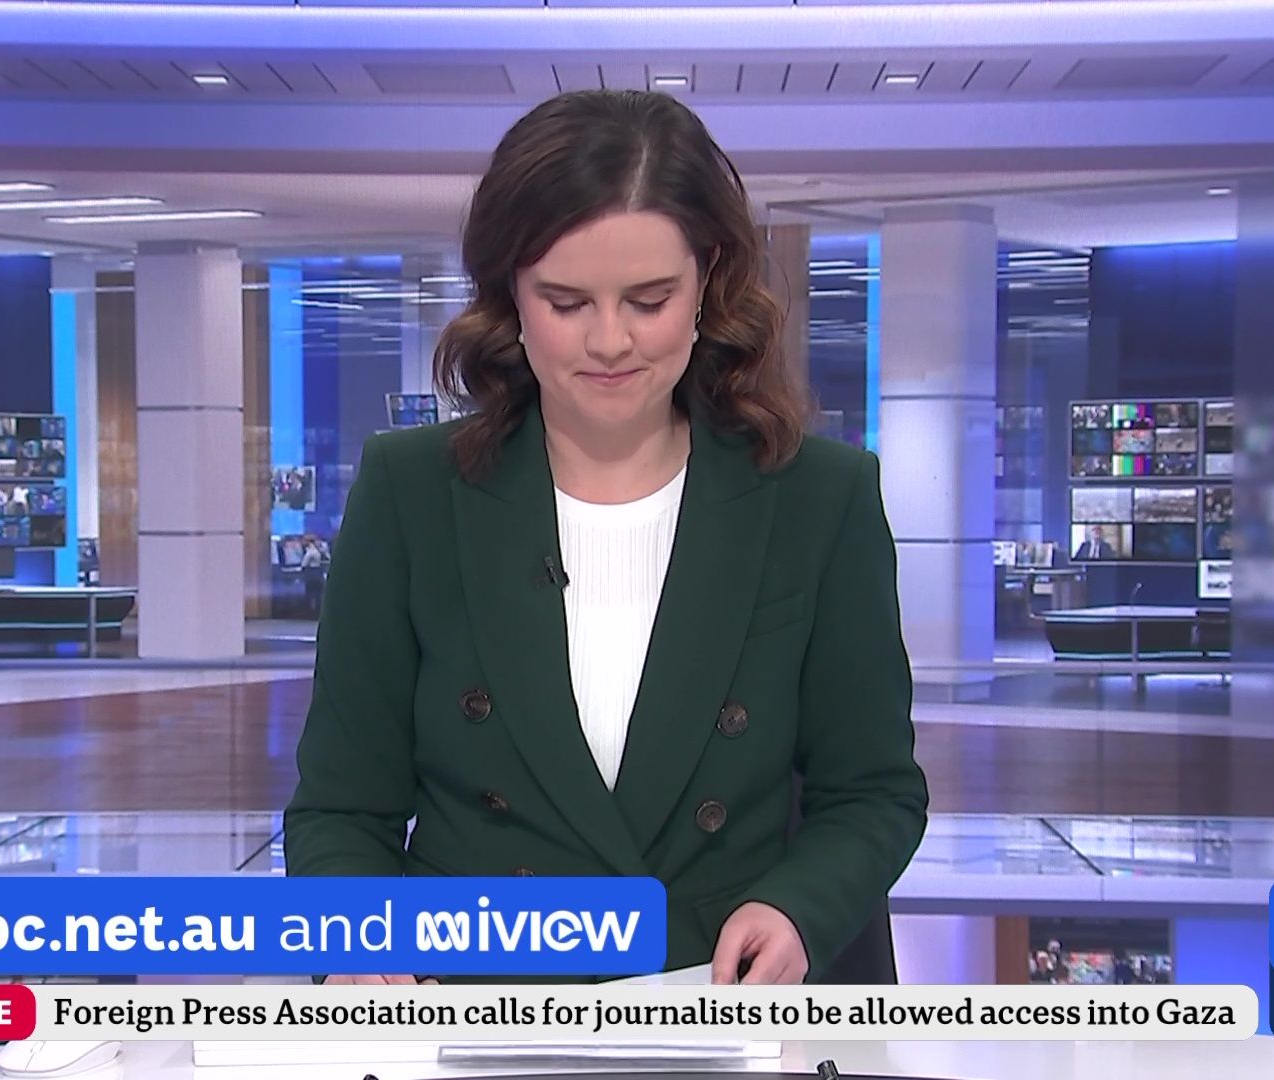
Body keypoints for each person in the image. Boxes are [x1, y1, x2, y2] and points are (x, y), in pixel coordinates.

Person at [283, 89, 928, 987]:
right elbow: (340, 808)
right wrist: (357, 933)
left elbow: (872, 793)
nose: (611, 340)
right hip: (474, 1000)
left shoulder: (820, 498)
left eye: (649, 300)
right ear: (510, 293)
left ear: (707, 280)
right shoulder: (410, 493)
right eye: (567, 301)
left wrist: (797, 908)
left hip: (715, 1001)